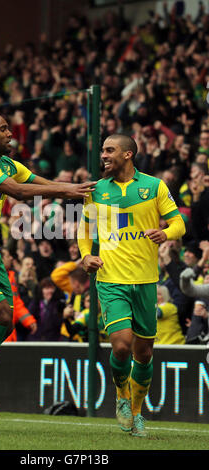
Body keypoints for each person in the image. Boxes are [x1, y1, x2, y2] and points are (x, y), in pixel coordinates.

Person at [0, 112, 95, 418]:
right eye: (3, 129)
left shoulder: (8, 164)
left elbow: (37, 181)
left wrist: (73, 187)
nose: (10, 133)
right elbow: (18, 191)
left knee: (6, 319)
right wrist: (65, 191)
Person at [77, 133, 185, 437]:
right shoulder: (96, 190)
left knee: (145, 354)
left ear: (128, 154)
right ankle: (122, 396)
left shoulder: (153, 186)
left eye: (110, 151)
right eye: (103, 151)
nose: (104, 156)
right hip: (111, 280)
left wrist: (166, 233)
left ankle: (137, 411)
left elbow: (179, 223)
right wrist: (86, 255)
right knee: (122, 345)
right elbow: (84, 229)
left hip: (146, 280)